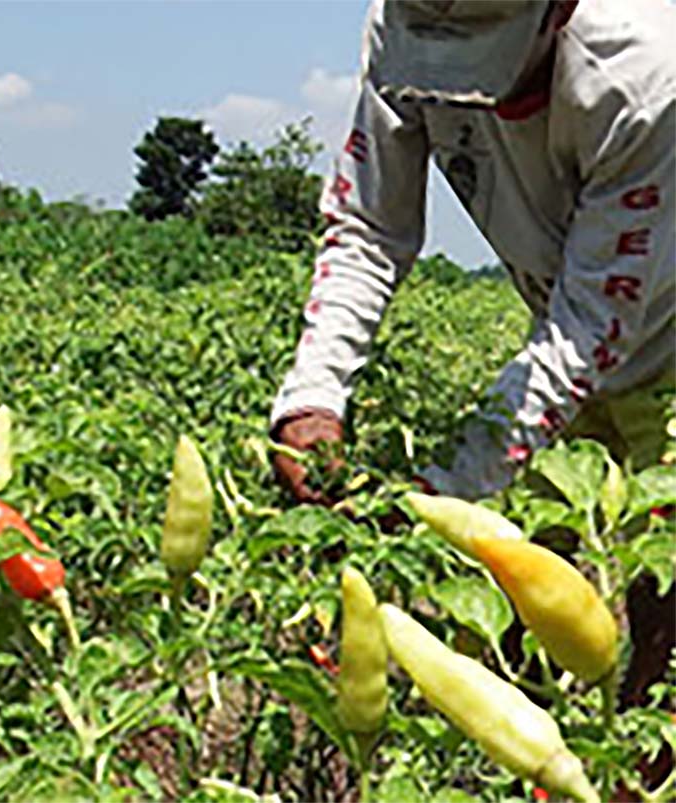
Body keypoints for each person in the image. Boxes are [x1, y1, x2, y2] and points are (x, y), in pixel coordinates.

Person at [269, 0, 673, 712]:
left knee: (661, 620)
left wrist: (441, 491)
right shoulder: (400, 21)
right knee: (516, 592)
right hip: (571, 338)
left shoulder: (645, 72)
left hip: (664, 347)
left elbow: (586, 329)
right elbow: (370, 224)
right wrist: (313, 394)